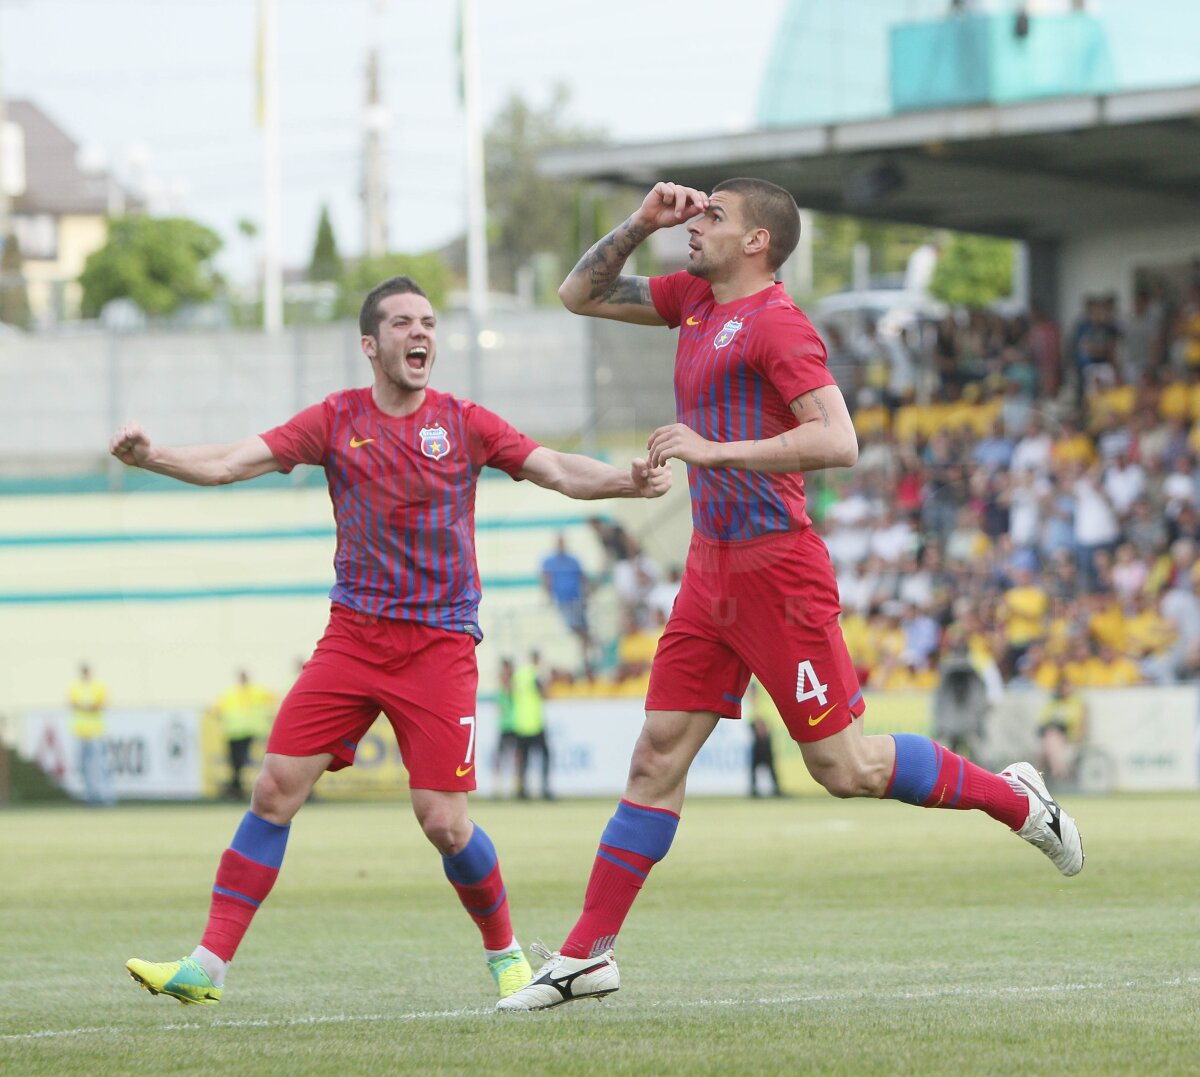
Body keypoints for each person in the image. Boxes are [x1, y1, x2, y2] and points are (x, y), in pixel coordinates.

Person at [498, 179, 1084, 1013]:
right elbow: (578, 294)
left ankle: (1016, 799)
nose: (696, 224)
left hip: (777, 571)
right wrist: (640, 221)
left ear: (757, 242)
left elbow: (838, 439)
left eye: (713, 216)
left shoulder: (778, 323)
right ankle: (587, 954)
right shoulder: (693, 299)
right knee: (656, 755)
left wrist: (714, 449)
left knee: (844, 767)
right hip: (711, 569)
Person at [111, 274, 670, 1007]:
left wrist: (628, 483)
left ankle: (505, 953)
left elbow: (557, 468)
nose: (421, 332)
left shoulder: (465, 422)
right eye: (404, 322)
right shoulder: (334, 419)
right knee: (274, 788)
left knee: (444, 823)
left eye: (429, 322)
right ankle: (207, 966)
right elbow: (227, 464)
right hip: (353, 637)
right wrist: (151, 457)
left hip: (439, 644)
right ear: (370, 345)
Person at [210, 670, 278, 800]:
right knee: (237, 762)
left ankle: (244, 787)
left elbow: (216, 710)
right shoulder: (234, 692)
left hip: (249, 732)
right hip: (236, 733)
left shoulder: (251, 691)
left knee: (244, 762)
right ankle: (238, 787)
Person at [931, 639, 990, 761]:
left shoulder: (975, 669)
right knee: (944, 755)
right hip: (952, 722)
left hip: (968, 722)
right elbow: (939, 699)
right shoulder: (947, 670)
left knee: (979, 755)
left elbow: (980, 697)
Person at [540, 533, 592, 664]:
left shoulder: (573, 560)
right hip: (563, 600)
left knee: (582, 626)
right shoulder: (549, 561)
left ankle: (587, 649)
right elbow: (546, 579)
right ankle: (589, 643)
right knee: (574, 626)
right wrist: (548, 596)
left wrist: (586, 595)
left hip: (576, 598)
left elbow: (582, 578)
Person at [68, 663, 114, 806]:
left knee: (99, 767)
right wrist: (88, 707)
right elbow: (72, 704)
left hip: (95, 734)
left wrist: (85, 707)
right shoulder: (76, 687)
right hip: (81, 734)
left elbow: (100, 705)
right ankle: (91, 797)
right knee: (85, 768)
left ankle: (104, 797)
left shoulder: (98, 687)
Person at [511, 651, 551, 800]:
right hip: (534, 723)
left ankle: (521, 790)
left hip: (520, 723)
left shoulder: (519, 674)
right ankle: (545, 789)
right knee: (545, 756)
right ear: (537, 659)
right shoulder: (535, 675)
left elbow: (511, 692)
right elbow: (544, 693)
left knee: (523, 759)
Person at [1037, 674, 1088, 783]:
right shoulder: (1053, 703)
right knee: (1051, 738)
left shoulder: (1077, 703)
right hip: (1053, 736)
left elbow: (1078, 723)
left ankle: (1045, 775)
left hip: (1069, 737)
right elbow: (1043, 720)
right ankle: (1060, 773)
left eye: (1067, 686)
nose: (1065, 690)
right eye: (1062, 687)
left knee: (1048, 742)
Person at [745, 682, 782, 798]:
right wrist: (759, 721)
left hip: (764, 722)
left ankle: (756, 788)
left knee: (763, 756)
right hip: (760, 723)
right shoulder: (756, 679)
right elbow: (753, 697)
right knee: (764, 756)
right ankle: (767, 788)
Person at [491, 657, 520, 799]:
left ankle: (515, 787)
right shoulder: (503, 687)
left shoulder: (514, 686)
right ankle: (498, 787)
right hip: (504, 726)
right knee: (500, 758)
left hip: (515, 725)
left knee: (516, 758)